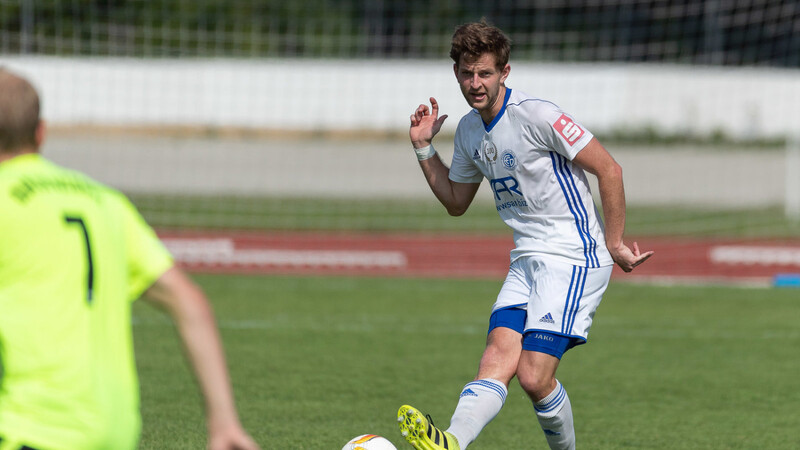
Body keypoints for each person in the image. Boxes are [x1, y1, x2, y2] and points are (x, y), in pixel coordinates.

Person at [396, 21, 653, 450]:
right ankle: (450, 443)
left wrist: (614, 242)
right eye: (465, 73)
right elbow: (456, 200)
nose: (474, 83)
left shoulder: (537, 115)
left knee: (534, 377)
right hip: (526, 260)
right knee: (496, 357)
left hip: (575, 256)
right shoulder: (468, 131)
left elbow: (609, 168)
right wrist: (424, 147)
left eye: (484, 73)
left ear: (505, 72)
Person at [0, 68, 259, 450]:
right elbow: (190, 302)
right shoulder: (105, 201)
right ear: (41, 131)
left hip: (30, 428)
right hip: (114, 433)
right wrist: (223, 421)